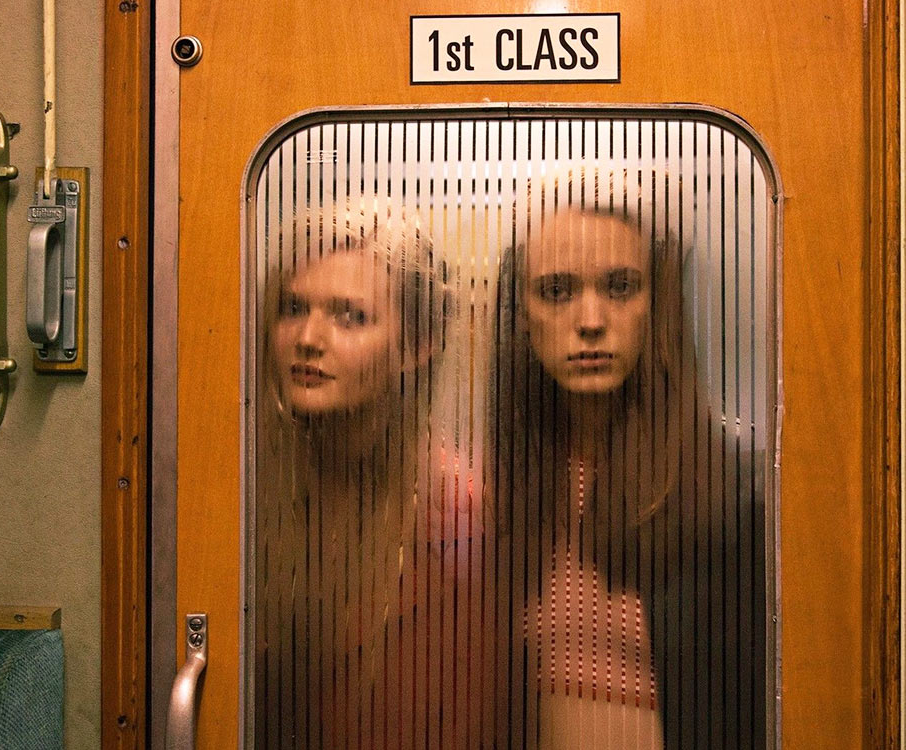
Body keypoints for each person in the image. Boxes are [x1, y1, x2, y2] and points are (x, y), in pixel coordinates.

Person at [256, 200, 464, 749]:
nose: (308, 337)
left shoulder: (457, 511)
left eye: (350, 316)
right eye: (293, 307)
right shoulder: (250, 489)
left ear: (419, 346)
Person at [491, 166, 687, 749]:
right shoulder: (500, 493)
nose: (591, 322)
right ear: (521, 313)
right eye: (556, 290)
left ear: (658, 304)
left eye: (621, 286)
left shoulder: (724, 495)